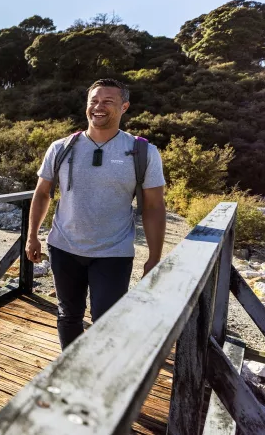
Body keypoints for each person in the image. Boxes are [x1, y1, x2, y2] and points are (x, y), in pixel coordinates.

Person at [25, 78, 166, 350]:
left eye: (108, 102)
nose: (98, 107)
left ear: (124, 107)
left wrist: (154, 257)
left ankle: (99, 378)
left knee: (107, 321)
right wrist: (32, 236)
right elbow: (42, 193)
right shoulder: (61, 147)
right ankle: (71, 373)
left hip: (114, 252)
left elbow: (153, 206)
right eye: (94, 101)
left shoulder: (143, 152)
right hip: (64, 247)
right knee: (68, 316)